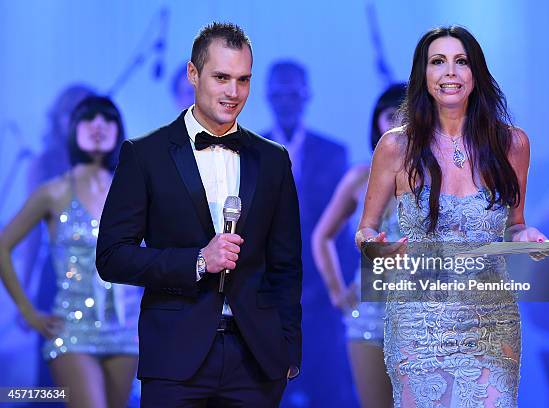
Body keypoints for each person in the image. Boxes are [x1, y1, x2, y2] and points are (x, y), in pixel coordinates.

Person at [95, 22, 302, 407]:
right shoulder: (145, 155)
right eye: (221, 77)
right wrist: (197, 261)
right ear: (193, 73)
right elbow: (112, 256)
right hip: (175, 359)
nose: (233, 92)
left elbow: (286, 263)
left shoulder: (273, 159)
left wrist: (288, 350)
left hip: (257, 360)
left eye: (243, 80)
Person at [355, 26, 547, 407]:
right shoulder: (395, 146)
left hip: (490, 318)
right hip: (418, 320)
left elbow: (516, 223)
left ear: (475, 74)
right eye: (438, 62)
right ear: (423, 75)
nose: (450, 73)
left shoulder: (512, 144)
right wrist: (375, 248)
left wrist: (527, 237)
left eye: (461, 62)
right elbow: (366, 228)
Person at [0, 96, 139, 408]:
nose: (99, 127)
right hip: (71, 329)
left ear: (119, 130)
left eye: (108, 120)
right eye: (89, 119)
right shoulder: (54, 191)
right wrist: (27, 311)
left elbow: (155, 255)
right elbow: (3, 246)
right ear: (73, 128)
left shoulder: (134, 189)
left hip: (126, 331)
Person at [263, 60, 353, 406]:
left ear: (307, 95)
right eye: (279, 92)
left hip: (323, 296)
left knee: (329, 389)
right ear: (269, 96)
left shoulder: (334, 153)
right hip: (269, 299)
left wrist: (338, 289)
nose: (287, 99)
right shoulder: (248, 150)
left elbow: (341, 231)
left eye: (294, 91)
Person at [312, 83, 405, 408]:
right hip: (369, 314)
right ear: (377, 122)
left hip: (424, 313)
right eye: (392, 115)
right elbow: (321, 236)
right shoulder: (360, 178)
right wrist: (337, 291)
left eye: (408, 114)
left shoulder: (439, 178)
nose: (399, 122)